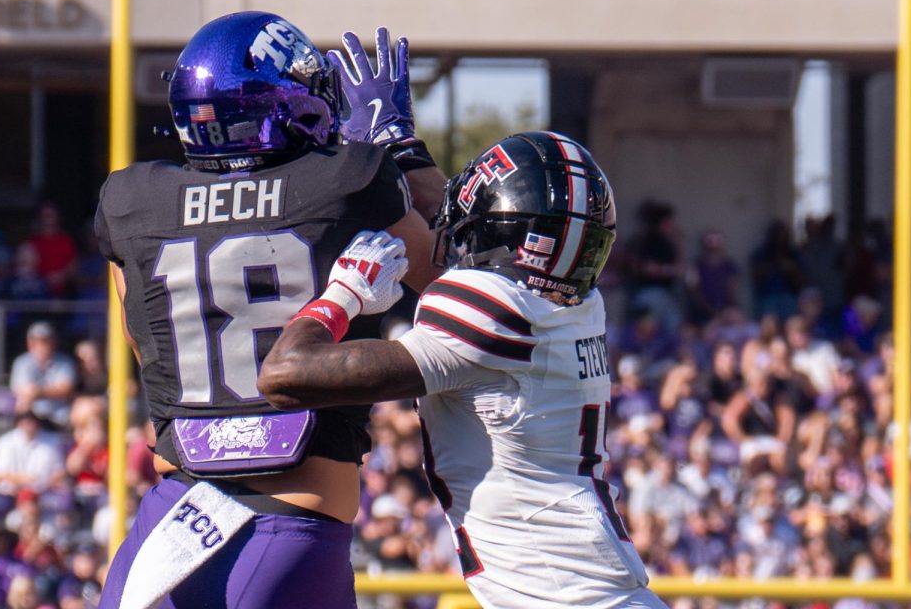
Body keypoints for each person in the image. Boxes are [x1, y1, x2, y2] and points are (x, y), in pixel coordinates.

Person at [96, 14, 445, 608]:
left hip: (173, 521)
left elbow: (142, 343)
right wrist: (401, 150)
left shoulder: (132, 202)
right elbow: (451, 273)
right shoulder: (346, 181)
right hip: (293, 528)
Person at [260, 132, 667, 609]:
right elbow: (457, 234)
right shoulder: (573, 302)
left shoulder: (494, 315)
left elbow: (285, 375)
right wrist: (401, 144)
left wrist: (342, 296)